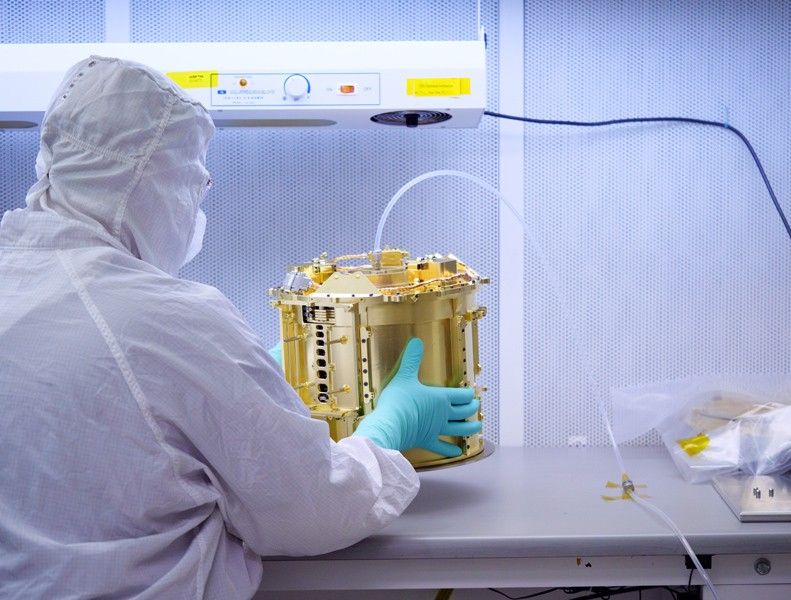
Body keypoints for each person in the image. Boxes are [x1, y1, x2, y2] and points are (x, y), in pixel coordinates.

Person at [0, 56, 480, 598]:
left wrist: (250, 387)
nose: (195, 207)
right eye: (194, 183)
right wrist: (385, 433)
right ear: (151, 182)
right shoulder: (168, 318)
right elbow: (312, 509)